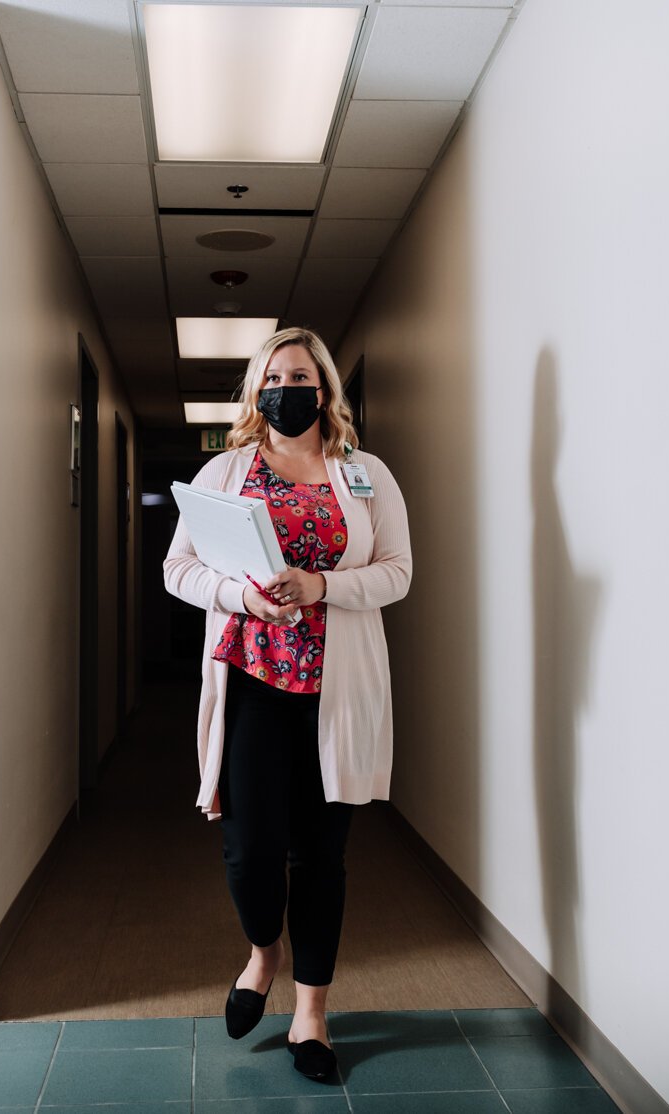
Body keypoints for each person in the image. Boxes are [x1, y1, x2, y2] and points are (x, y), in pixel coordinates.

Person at [163, 326, 412, 1082]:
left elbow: (397, 571)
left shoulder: (365, 474)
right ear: (256, 391)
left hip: (336, 689)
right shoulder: (225, 471)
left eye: (301, 376)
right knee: (249, 852)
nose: (287, 389)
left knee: (321, 857)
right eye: (274, 377)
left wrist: (323, 587)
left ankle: (311, 1014)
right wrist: (241, 595)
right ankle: (262, 952)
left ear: (324, 388)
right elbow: (179, 569)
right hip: (255, 683)